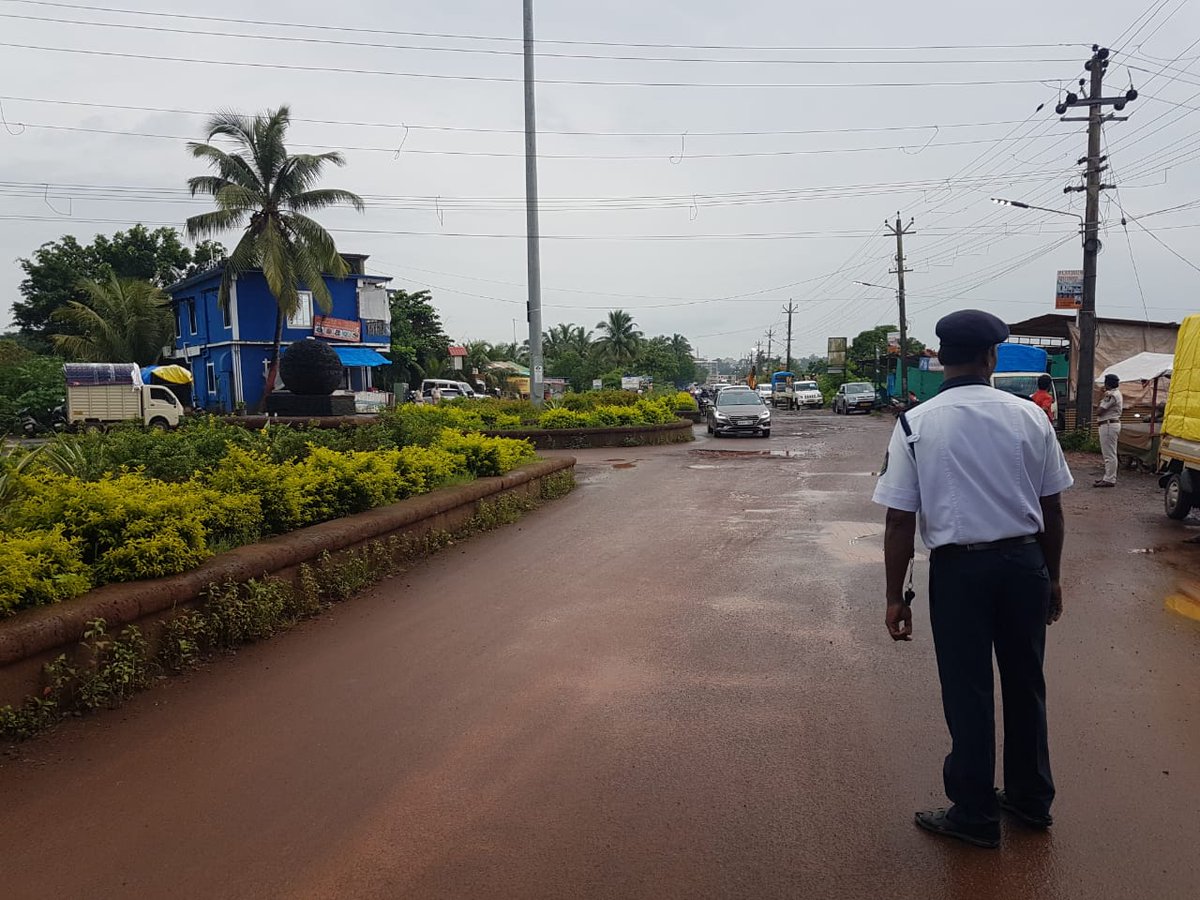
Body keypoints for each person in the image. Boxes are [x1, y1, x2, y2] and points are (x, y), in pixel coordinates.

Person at [873, 309, 1073, 850]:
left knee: (968, 689)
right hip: (1025, 565)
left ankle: (975, 813)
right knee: (1026, 681)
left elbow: (899, 518)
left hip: (960, 572)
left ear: (940, 358)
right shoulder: (1031, 418)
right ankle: (1031, 801)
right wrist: (1051, 578)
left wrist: (896, 596)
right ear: (991, 357)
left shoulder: (917, 423)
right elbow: (1051, 507)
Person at [1096, 373, 1123, 488]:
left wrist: (1102, 395)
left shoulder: (1111, 395)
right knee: (1110, 453)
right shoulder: (1116, 393)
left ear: (1108, 383)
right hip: (1111, 424)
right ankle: (1108, 477)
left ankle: (1110, 479)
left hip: (1108, 425)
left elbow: (1099, 410)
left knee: (1109, 454)